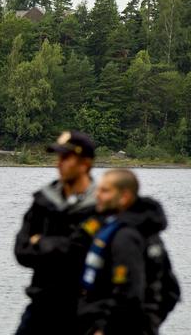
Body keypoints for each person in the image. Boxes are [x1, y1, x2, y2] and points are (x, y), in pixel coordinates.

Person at [14, 131, 98, 335]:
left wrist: (42, 243)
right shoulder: (43, 201)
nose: (58, 163)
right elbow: (21, 251)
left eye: (66, 158)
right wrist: (66, 247)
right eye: (58, 157)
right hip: (41, 306)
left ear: (85, 164)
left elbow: (83, 255)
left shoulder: (101, 207)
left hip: (84, 310)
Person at [78, 170, 180, 335]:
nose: (97, 195)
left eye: (105, 191)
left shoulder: (125, 236)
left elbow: (129, 292)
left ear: (124, 197)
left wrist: (104, 329)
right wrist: (150, 324)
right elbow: (171, 291)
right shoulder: (148, 231)